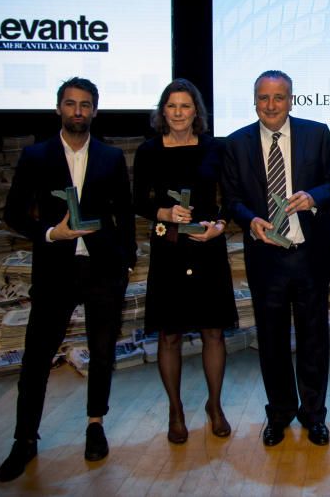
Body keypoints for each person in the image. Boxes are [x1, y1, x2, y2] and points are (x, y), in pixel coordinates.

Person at [0, 77, 136, 482]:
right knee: (37, 357)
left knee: (102, 353)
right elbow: (13, 213)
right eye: (71, 104)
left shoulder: (111, 157)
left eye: (86, 104)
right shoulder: (36, 156)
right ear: (58, 108)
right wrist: (49, 233)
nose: (78, 111)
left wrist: (125, 262)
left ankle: (95, 424)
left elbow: (124, 213)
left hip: (103, 271)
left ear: (95, 110)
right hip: (55, 270)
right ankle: (24, 439)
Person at [221, 70, 330, 448]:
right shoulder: (236, 143)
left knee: (314, 341)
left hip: (309, 255)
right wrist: (249, 219)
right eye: (263, 97)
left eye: (279, 97)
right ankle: (280, 413)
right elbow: (232, 199)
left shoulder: (317, 133)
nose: (271, 105)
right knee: (271, 343)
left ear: (292, 99)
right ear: (254, 100)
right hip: (266, 258)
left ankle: (314, 415)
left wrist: (314, 197)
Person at [133, 79, 238, 444]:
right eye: (172, 106)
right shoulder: (147, 151)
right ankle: (175, 411)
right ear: (163, 111)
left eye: (185, 106)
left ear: (197, 111)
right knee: (170, 333)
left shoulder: (216, 148)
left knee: (213, 330)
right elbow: (136, 200)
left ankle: (215, 406)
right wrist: (162, 211)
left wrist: (220, 225)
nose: (178, 113)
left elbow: (231, 197)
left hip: (207, 248)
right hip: (169, 251)